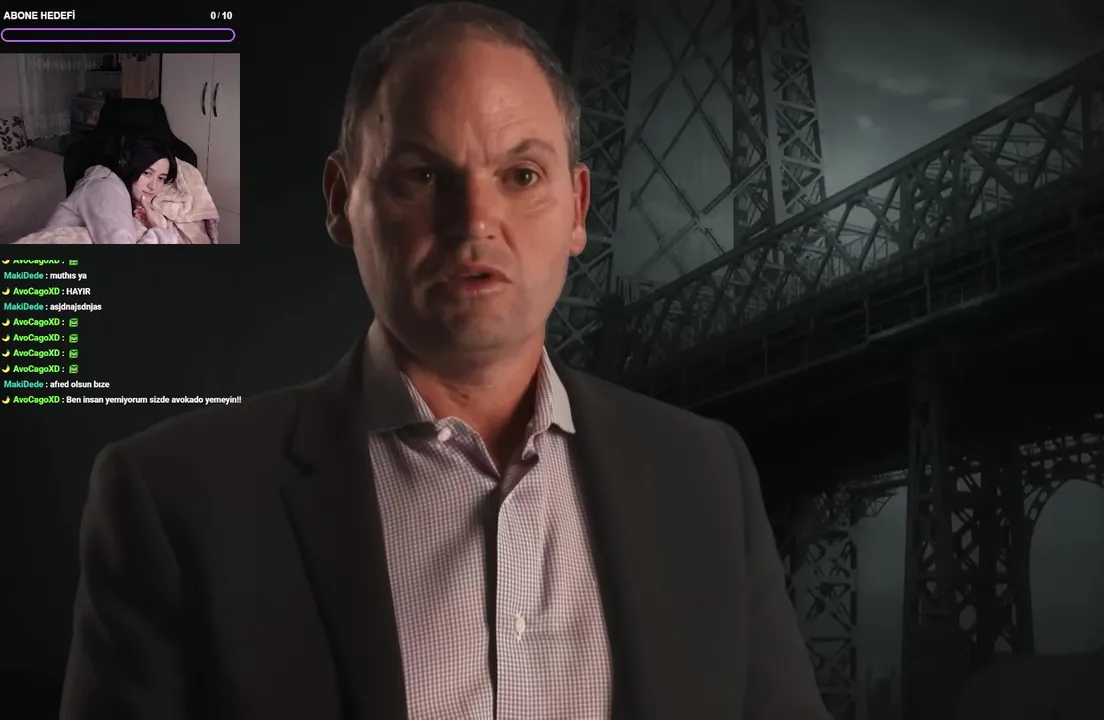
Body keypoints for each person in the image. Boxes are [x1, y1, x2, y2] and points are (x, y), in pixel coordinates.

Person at [59, 3, 828, 719]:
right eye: (424, 175)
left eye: (522, 175)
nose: (477, 221)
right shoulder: (173, 501)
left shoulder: (706, 475)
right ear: (341, 200)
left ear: (579, 208)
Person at [45, 133, 181, 244]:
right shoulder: (105, 188)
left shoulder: (116, 185)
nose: (153, 186)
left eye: (161, 178)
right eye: (147, 173)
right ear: (128, 165)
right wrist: (160, 231)